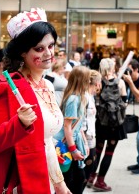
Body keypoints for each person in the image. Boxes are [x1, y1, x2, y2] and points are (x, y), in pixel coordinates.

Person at [0, 8, 70, 193]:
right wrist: (18, 124)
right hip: (19, 182)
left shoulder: (47, 86)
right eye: (39, 49)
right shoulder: (7, 90)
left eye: (51, 45)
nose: (48, 53)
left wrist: (60, 184)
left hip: (43, 180)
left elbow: (47, 142)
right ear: (23, 53)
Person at [89, 58, 127, 191]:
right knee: (109, 152)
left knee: (98, 150)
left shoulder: (98, 82)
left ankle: (90, 177)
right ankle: (100, 182)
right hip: (115, 123)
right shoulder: (120, 82)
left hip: (100, 121)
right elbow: (125, 101)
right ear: (112, 68)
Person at [54, 66, 90, 194]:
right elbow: (67, 126)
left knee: (77, 179)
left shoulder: (78, 97)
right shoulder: (73, 99)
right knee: (75, 181)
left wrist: (84, 143)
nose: (89, 83)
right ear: (82, 81)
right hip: (67, 146)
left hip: (72, 143)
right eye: (88, 80)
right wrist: (73, 149)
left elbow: (77, 125)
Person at [83, 70, 101, 189]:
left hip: (91, 135)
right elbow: (81, 119)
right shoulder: (85, 96)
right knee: (87, 166)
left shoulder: (91, 96)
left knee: (91, 164)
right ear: (96, 83)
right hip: (86, 136)